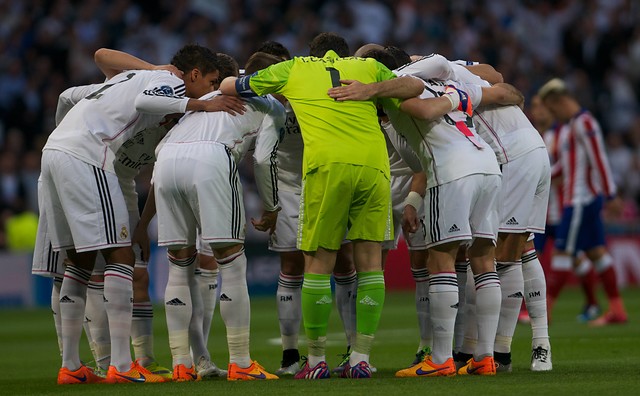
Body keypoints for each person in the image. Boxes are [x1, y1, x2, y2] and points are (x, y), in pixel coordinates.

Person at [220, 32, 424, 379]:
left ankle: (314, 361)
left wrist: (247, 77)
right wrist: (370, 90)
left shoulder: (294, 68)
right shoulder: (368, 66)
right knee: (370, 263)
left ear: (311, 53)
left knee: (318, 262)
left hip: (326, 169)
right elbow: (414, 86)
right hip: (374, 168)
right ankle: (360, 356)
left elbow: (229, 86)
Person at [41, 43, 232, 385]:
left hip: (54, 152)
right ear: (194, 74)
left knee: (78, 262)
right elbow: (146, 103)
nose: (213, 89)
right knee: (120, 255)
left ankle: (71, 367)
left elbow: (87, 73)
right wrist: (198, 103)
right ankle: (123, 367)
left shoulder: (132, 76)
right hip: (90, 155)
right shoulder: (170, 82)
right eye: (212, 81)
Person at [333, 47, 524, 377]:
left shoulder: (401, 87)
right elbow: (510, 93)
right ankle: (485, 357)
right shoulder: (450, 86)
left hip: (453, 172)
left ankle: (439, 359)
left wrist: (371, 90)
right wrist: (461, 98)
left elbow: (415, 94)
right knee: (483, 260)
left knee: (441, 261)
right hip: (487, 167)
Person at [151, 51, 285, 381]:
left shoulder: (207, 99)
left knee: (178, 265)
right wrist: (271, 208)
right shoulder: (271, 104)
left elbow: (159, 148)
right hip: (211, 157)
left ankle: (181, 364)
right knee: (232, 262)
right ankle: (240, 362)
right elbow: (264, 159)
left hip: (166, 162)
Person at [538, 78, 628, 326]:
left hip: (580, 200)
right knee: (597, 253)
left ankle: (544, 312)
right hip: (579, 199)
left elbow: (599, 159)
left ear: (559, 101)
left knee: (562, 252)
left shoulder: (585, 123)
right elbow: (564, 168)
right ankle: (617, 310)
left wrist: (610, 194)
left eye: (552, 108)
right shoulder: (571, 127)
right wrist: (539, 177)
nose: (553, 114)